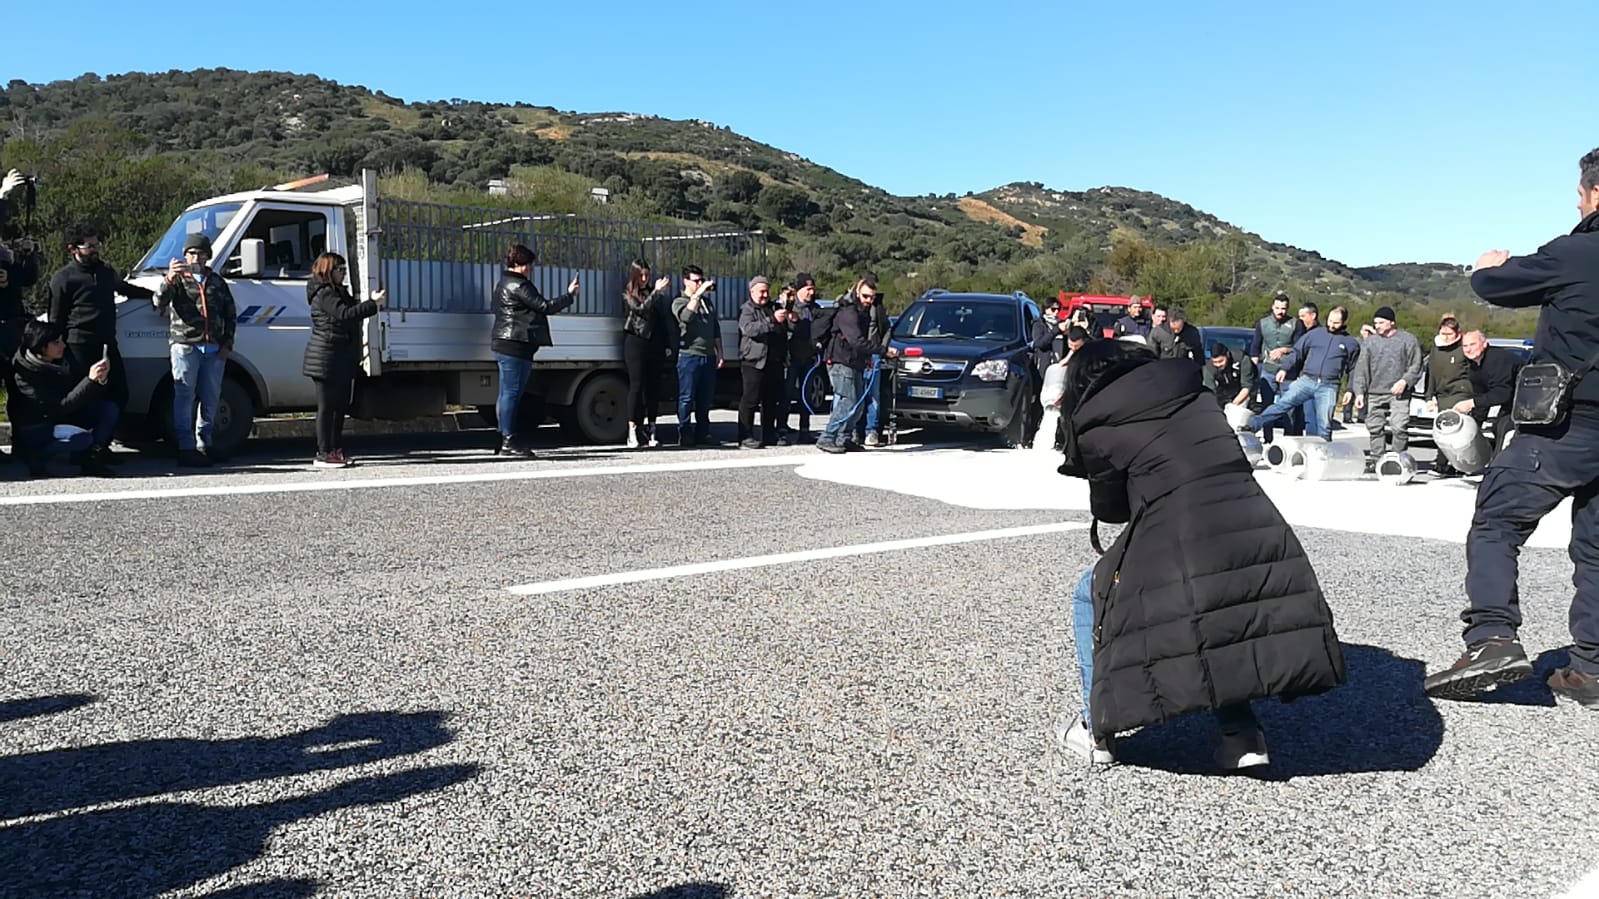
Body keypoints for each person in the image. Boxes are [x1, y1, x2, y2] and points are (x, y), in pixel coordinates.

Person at [1053, 339, 1345, 767]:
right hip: (1257, 528)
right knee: (1215, 615)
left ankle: (1095, 730)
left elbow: (1110, 510)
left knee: (1090, 591)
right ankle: (1242, 736)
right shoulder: (1195, 394)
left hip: (1183, 531)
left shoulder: (1099, 419)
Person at [1424, 147, 1599, 709]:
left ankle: (1492, 638)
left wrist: (1486, 266)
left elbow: (1495, 288)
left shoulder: (1578, 253)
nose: (1577, 202)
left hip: (1566, 427)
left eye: (1581, 194)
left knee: (1497, 521)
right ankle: (1591, 667)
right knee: (1597, 548)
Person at [47, 223, 155, 418]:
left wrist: (155, 297)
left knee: (119, 393)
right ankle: (84, 441)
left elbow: (126, 289)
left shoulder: (105, 272)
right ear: (73, 249)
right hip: (78, 346)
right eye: (89, 247)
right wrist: (55, 352)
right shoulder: (63, 278)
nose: (95, 250)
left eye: (97, 245)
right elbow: (56, 319)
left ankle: (103, 440)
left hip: (106, 343)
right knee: (84, 395)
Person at [154, 233, 237, 466]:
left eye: (200, 253)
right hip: (185, 345)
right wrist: (169, 278)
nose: (196, 258)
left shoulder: (217, 282)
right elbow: (158, 303)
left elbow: (230, 313)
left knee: (211, 397)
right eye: (191, 253)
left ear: (207, 256)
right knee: (184, 396)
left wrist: (227, 343)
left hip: (214, 347)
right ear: (184, 256)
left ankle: (205, 442)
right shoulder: (178, 280)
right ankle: (185, 446)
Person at [490, 244, 578, 458]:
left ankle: (503, 437)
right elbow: (545, 306)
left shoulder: (503, 283)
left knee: (505, 394)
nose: (531, 268)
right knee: (512, 393)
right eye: (528, 264)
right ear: (519, 264)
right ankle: (509, 441)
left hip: (503, 342)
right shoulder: (520, 285)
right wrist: (569, 295)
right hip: (516, 344)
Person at [303, 252, 387, 468]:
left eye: (343, 269)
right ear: (328, 270)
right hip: (325, 357)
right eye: (339, 269)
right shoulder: (325, 294)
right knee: (327, 407)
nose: (343, 273)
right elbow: (346, 314)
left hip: (339, 357)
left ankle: (335, 450)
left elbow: (350, 311)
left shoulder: (338, 292)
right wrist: (372, 304)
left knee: (339, 407)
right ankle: (323, 453)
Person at [7, 319, 118, 477]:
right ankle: (36, 455)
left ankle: (91, 458)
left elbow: (77, 393)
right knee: (82, 438)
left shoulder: (59, 360)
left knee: (108, 409)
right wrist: (90, 380)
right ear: (42, 346)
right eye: (56, 342)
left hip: (62, 415)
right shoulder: (23, 374)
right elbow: (59, 407)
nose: (63, 345)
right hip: (38, 426)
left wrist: (100, 380)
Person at [1246, 309, 1360, 440]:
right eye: (1330, 321)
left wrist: (1350, 390)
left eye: (1336, 323)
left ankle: (1324, 451)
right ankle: (1252, 425)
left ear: (1344, 322)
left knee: (1325, 423)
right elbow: (1297, 352)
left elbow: (1353, 369)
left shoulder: (1350, 343)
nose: (1332, 325)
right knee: (1282, 405)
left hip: (1329, 385)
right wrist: (1284, 368)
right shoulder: (1315, 334)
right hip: (1307, 380)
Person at [1348, 306, 1422, 465]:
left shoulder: (1408, 340)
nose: (1377, 326)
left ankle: (1398, 460)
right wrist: (1359, 392)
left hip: (1399, 392)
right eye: (1375, 323)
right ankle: (1377, 459)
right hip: (1375, 391)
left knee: (1399, 427)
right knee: (1375, 427)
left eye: (1381, 322)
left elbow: (1416, 366)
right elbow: (1362, 369)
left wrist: (1405, 381)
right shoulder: (1370, 343)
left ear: (1392, 323)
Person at [816, 277, 876, 454]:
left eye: (872, 297)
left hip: (854, 361)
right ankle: (827, 437)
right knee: (847, 400)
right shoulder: (848, 312)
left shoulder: (863, 311)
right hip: (840, 361)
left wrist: (867, 358)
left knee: (858, 404)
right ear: (857, 293)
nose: (869, 301)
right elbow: (856, 340)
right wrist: (882, 351)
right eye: (866, 296)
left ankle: (844, 438)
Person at [621, 258, 673, 449]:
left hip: (655, 344)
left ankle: (651, 428)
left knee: (654, 387)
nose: (644, 279)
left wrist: (668, 344)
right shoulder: (628, 293)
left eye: (647, 275)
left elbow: (662, 319)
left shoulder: (654, 293)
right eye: (641, 275)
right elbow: (641, 310)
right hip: (636, 341)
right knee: (636, 386)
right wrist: (656, 293)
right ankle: (632, 430)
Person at [736, 276, 791, 448]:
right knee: (750, 400)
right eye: (761, 291)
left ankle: (769, 434)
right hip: (753, 361)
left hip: (773, 362)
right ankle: (745, 436)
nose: (765, 295)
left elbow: (783, 331)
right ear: (752, 291)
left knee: (770, 401)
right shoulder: (746, 309)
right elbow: (749, 329)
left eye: (767, 291)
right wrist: (772, 320)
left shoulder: (773, 308)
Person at [672, 265, 723, 448]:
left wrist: (720, 351)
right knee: (687, 397)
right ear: (686, 281)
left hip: (708, 356)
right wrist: (698, 294)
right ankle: (684, 433)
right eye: (696, 281)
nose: (700, 284)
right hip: (689, 356)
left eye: (702, 280)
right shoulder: (679, 301)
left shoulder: (707, 304)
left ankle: (703, 433)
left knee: (705, 398)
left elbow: (715, 327)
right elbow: (686, 317)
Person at [1250, 291, 1307, 440]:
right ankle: (1268, 439)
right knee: (1267, 407)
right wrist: (1254, 369)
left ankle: (1288, 439)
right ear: (1273, 307)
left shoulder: (1296, 324)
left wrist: (1284, 350)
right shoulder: (1262, 323)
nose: (1280, 311)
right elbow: (1255, 348)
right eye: (1277, 308)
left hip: (1289, 372)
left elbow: (1300, 347)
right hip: (1268, 371)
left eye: (1283, 308)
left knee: (1289, 408)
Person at [1458, 329, 1521, 459]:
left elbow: (1503, 393)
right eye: (1465, 346)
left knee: (1504, 428)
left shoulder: (1497, 359)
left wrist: (1471, 403)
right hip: (1512, 400)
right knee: (1496, 428)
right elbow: (1480, 396)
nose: (1469, 349)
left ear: (1484, 344)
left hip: (1528, 398)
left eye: (1473, 344)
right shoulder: (1474, 366)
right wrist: (1474, 425)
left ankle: (1498, 467)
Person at [1425, 315, 1474, 477]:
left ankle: (1452, 464)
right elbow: (1431, 373)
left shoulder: (1463, 349)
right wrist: (1429, 395)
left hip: (1460, 393)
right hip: (1442, 394)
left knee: (1453, 430)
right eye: (1443, 333)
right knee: (1443, 430)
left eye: (1449, 334)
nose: (1445, 338)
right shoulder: (1436, 348)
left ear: (1457, 333)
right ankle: (1445, 463)